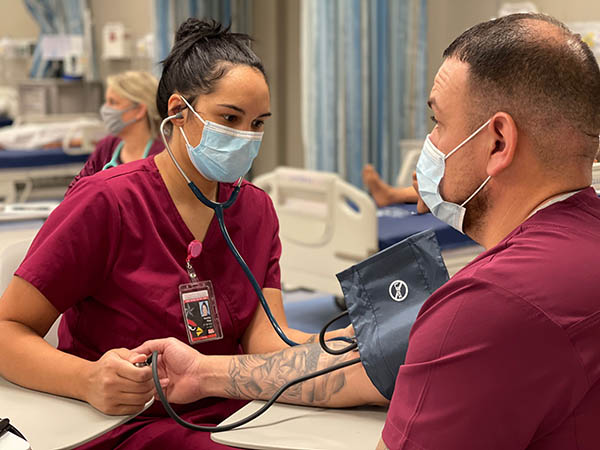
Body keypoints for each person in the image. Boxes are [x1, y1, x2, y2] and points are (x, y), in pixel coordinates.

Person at [134, 13, 600, 450]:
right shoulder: (578, 248)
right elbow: (369, 370)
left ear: (498, 142)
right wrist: (205, 372)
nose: (432, 144)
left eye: (438, 122)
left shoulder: (490, 304)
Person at [0, 19, 366, 449]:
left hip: (232, 411)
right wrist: (88, 379)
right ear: (178, 112)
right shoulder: (106, 203)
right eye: (230, 118)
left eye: (258, 124)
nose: (246, 138)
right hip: (121, 420)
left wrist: (339, 347)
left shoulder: (255, 209)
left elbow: (267, 338)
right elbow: (9, 328)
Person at [66, 71, 164, 193]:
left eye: (113, 102)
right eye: (106, 102)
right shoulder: (107, 146)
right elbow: (76, 191)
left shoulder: (162, 154)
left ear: (139, 110)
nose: (105, 109)